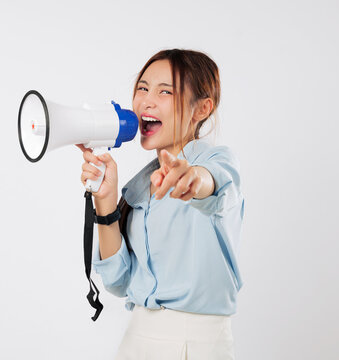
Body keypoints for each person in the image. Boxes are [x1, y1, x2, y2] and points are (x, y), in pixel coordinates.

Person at [76, 49, 244, 360]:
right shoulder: (141, 186)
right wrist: (106, 203)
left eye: (165, 91)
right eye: (142, 88)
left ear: (202, 108)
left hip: (194, 343)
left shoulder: (215, 162)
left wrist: (191, 179)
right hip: (137, 336)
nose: (146, 101)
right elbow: (118, 281)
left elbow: (212, 184)